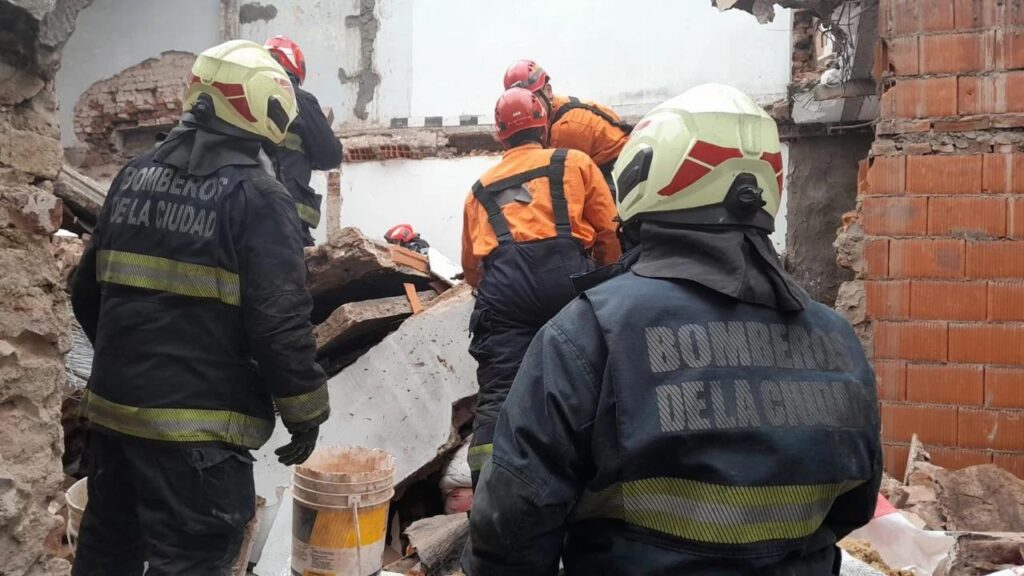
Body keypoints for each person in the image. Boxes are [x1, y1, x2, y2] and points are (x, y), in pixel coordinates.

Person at [462, 84, 882, 576]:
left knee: (498, 392)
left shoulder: (590, 331)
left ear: (647, 174)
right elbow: (853, 507)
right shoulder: (838, 339)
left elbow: (512, 528)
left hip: (506, 291)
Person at [70, 40, 329, 576]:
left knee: (107, 554)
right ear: (260, 107)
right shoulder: (258, 197)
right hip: (198, 441)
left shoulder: (130, 177)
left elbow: (84, 292)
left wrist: (132, 365)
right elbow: (278, 324)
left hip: (115, 422)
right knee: (192, 562)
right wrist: (306, 411)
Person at [461, 87, 621, 487]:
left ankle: (489, 491)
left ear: (500, 135)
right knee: (584, 379)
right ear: (544, 125)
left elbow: (471, 268)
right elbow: (608, 232)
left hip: (505, 289)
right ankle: (587, 484)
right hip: (568, 281)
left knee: (500, 391)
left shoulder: (480, 188)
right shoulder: (575, 162)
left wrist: (499, 294)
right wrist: (607, 281)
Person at [503, 59, 632, 191]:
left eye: (533, 99)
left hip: (616, 171)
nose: (528, 108)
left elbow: (559, 181)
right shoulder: (558, 107)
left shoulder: (564, 128)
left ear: (548, 91)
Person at [264, 35, 343, 246]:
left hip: (244, 211)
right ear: (295, 65)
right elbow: (330, 155)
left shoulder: (244, 97)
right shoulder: (301, 100)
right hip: (286, 214)